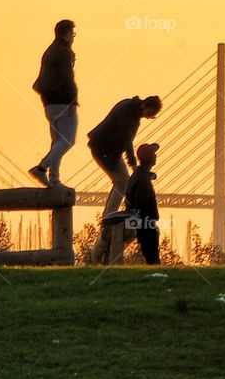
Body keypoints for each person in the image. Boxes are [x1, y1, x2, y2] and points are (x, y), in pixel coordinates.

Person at [87, 94, 162, 262]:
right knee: (122, 182)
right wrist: (133, 163)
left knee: (125, 182)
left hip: (110, 151)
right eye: (151, 114)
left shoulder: (131, 107)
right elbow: (126, 139)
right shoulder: (129, 113)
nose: (150, 117)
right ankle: (109, 216)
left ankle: (111, 221)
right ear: (146, 107)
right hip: (104, 151)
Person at [29, 19, 78, 186]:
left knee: (57, 141)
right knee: (68, 140)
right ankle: (42, 168)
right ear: (66, 34)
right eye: (72, 34)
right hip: (63, 101)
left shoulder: (50, 50)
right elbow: (67, 78)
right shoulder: (62, 52)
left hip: (49, 103)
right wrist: (73, 100)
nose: (73, 37)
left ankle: (54, 179)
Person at [125, 142, 161, 265]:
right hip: (145, 225)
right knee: (153, 260)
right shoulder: (143, 179)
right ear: (149, 157)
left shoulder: (140, 174)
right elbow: (141, 203)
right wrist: (149, 223)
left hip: (142, 223)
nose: (155, 156)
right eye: (153, 154)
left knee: (152, 258)